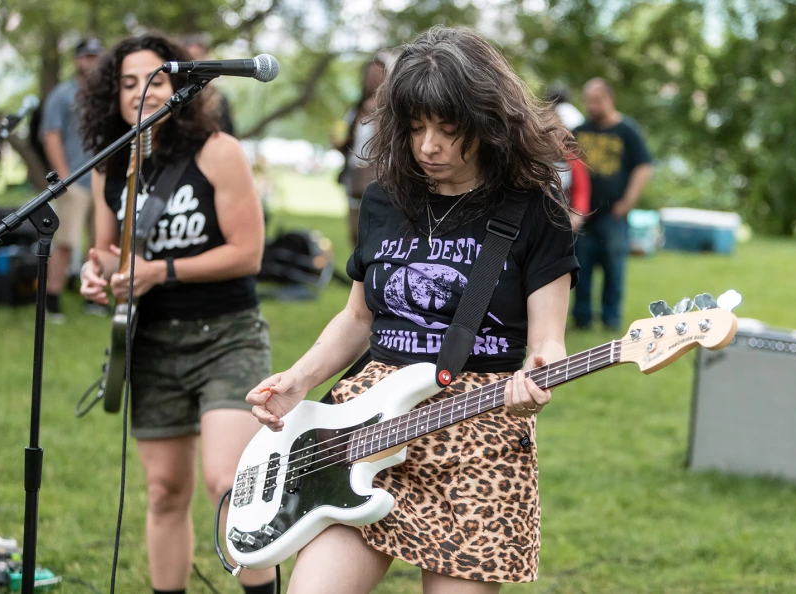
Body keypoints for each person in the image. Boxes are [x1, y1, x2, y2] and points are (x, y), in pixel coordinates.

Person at [247, 26, 579, 594]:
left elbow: (549, 340)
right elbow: (359, 317)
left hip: (478, 440)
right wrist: (300, 379)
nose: (428, 146)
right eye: (416, 127)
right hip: (367, 431)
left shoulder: (534, 210)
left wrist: (539, 371)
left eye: (449, 129)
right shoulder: (386, 198)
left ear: (488, 122)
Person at [77, 33, 275, 594]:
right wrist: (97, 273)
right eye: (128, 83)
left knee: (227, 482)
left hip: (226, 337)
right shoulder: (109, 165)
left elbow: (248, 253)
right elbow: (110, 252)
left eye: (156, 80)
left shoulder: (218, 151)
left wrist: (159, 271)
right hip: (152, 341)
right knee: (164, 491)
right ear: (111, 95)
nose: (141, 93)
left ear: (182, 87)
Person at [571, 78, 653, 331]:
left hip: (613, 215)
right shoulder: (579, 131)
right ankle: (582, 319)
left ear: (610, 99)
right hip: (583, 215)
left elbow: (644, 167)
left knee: (613, 268)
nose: (591, 106)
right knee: (580, 268)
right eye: (588, 101)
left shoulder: (627, 131)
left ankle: (611, 319)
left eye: (596, 101)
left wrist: (627, 202)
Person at [40, 37, 104, 322]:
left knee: (99, 243)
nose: (92, 61)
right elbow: (50, 134)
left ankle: (93, 298)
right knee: (65, 241)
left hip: (102, 181)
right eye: (87, 56)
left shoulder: (107, 94)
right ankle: (51, 300)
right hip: (74, 181)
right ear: (77, 60)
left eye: (96, 56)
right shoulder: (62, 95)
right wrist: (64, 176)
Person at [336, 55, 388, 247]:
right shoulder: (356, 110)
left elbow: (385, 143)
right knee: (355, 232)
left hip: (380, 178)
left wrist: (376, 114)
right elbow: (348, 142)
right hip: (355, 177)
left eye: (378, 74)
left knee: (376, 232)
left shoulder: (390, 110)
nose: (372, 78)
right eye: (370, 74)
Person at [545, 89, 590, 231]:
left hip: (564, 222)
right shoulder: (532, 157)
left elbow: (581, 190)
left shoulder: (572, 159)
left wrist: (576, 217)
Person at [183, 33, 236, 137]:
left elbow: (229, 132)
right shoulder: (177, 93)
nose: (195, 62)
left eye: (198, 56)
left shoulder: (218, 97)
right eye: (189, 57)